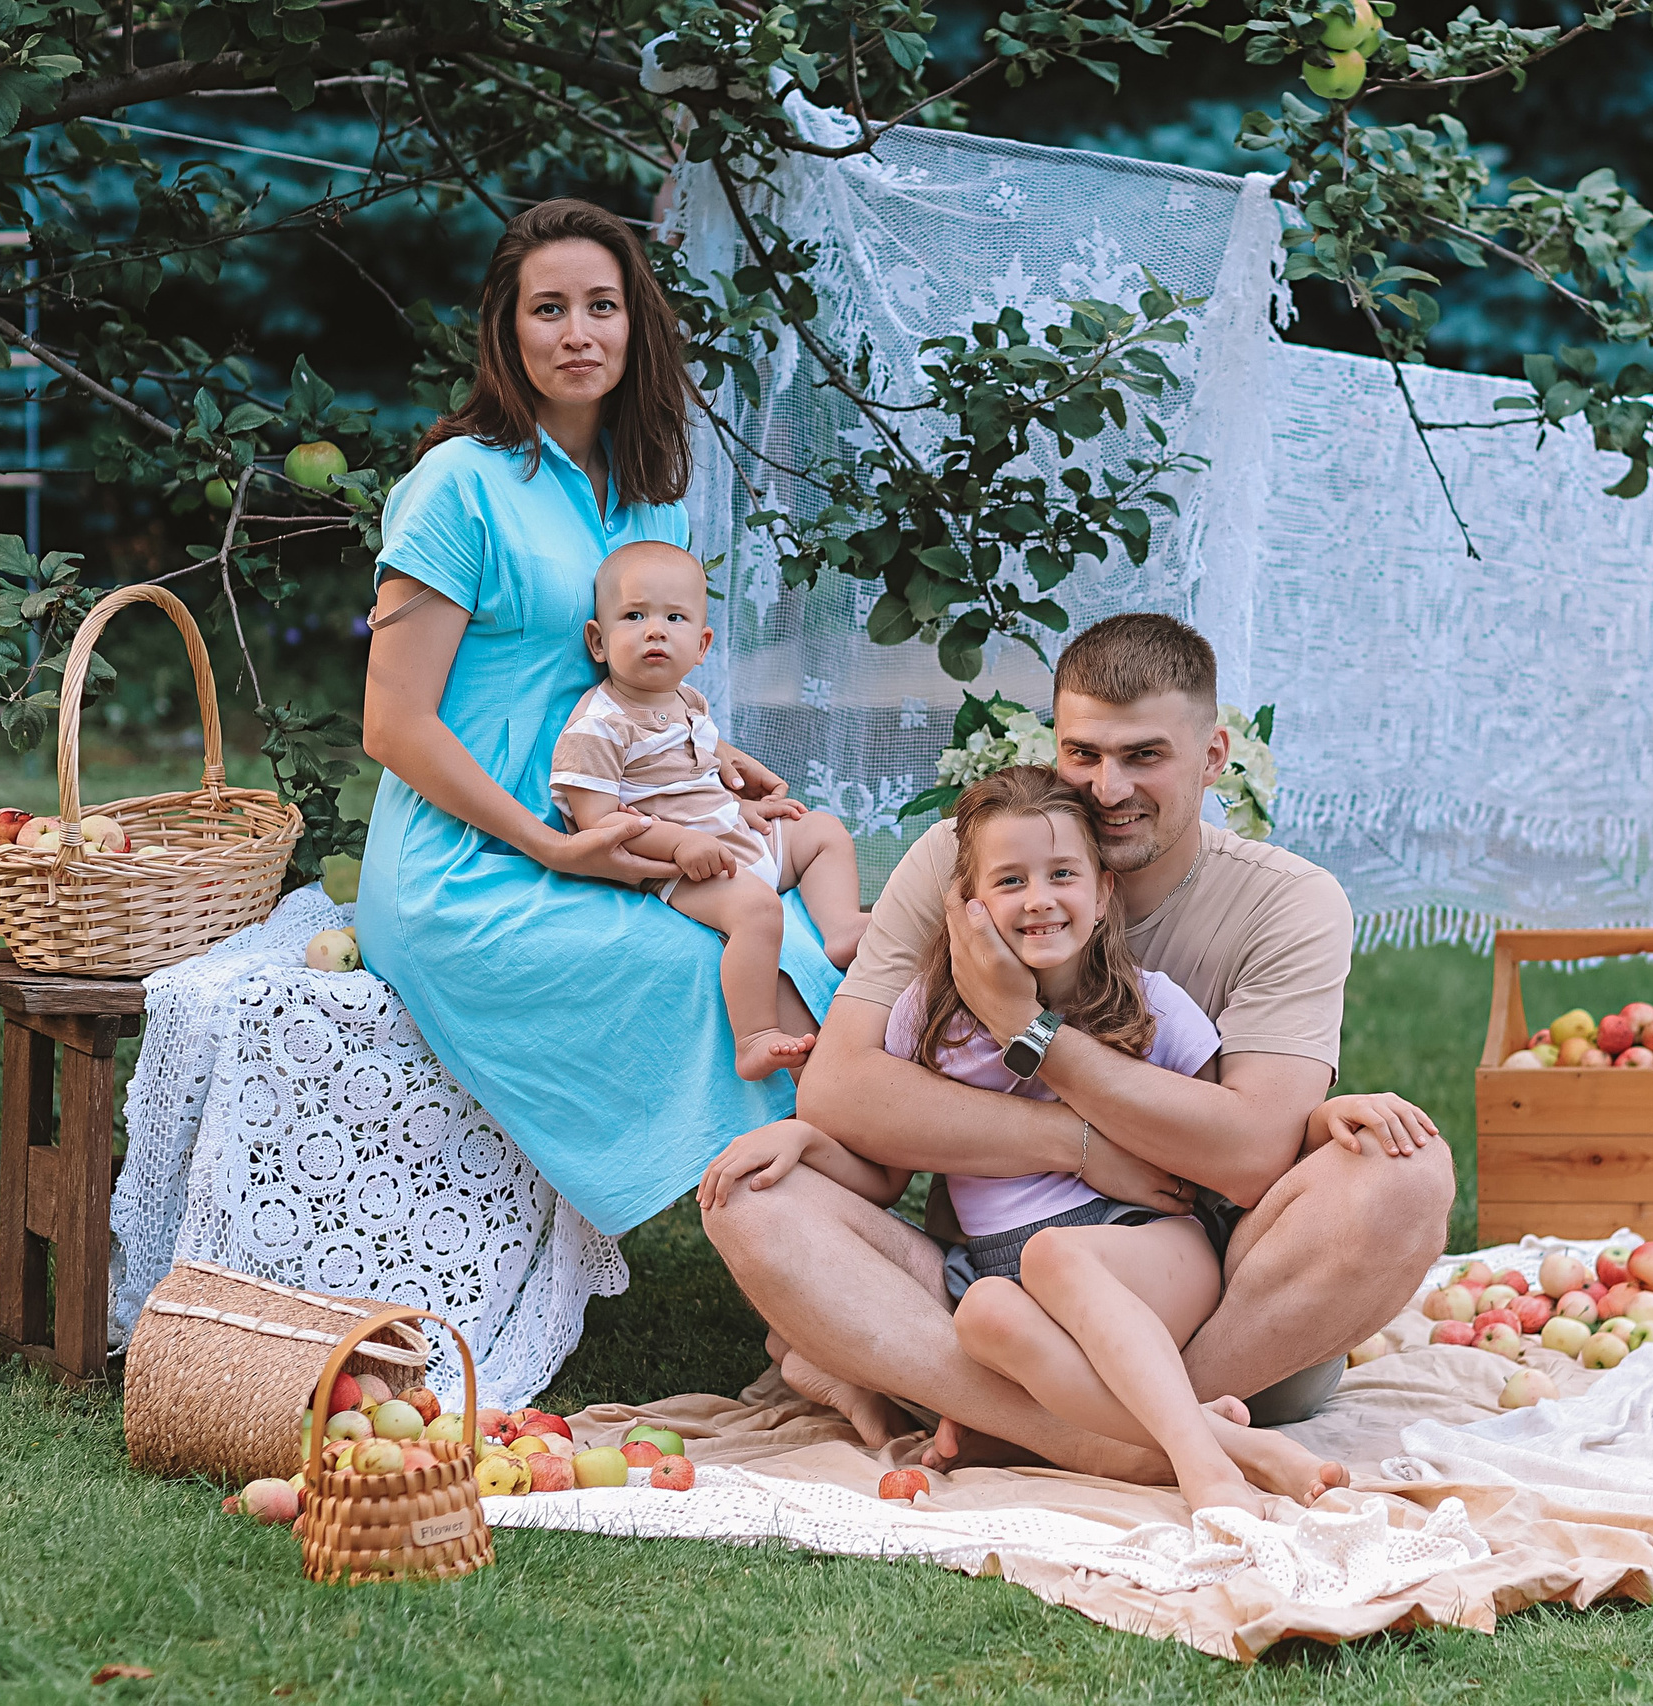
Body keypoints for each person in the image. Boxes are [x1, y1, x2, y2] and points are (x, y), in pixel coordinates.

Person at [701, 614, 1453, 1482]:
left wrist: (1033, 1034)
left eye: (1145, 756)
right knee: (751, 1196)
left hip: (1216, 1313)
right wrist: (1078, 1146)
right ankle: (1147, 1445)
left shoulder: (1289, 904)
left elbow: (1249, 1158)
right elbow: (842, 1093)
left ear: (1214, 758)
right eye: (1084, 755)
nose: (1108, 788)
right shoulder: (962, 864)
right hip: (984, 1296)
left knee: (1406, 1174)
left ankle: (1022, 1420)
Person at [356, 198, 842, 1240]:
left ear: (635, 325)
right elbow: (393, 724)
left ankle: (829, 1281)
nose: (577, 333)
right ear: (506, 328)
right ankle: (800, 1279)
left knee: (808, 951)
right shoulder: (456, 488)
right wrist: (547, 843)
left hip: (628, 824)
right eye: (548, 309)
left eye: (602, 306)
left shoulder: (648, 494)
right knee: (728, 975)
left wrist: (718, 761)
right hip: (472, 864)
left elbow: (638, 690)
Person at [550, 541, 868, 1079]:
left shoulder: (689, 700)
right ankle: (756, 1036)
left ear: (701, 644)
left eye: (674, 617)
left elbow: (698, 778)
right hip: (679, 867)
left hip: (730, 838)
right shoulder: (598, 727)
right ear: (598, 642)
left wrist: (743, 808)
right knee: (756, 912)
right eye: (635, 616)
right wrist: (678, 842)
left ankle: (839, 927)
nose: (655, 630)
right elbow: (597, 824)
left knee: (822, 830)